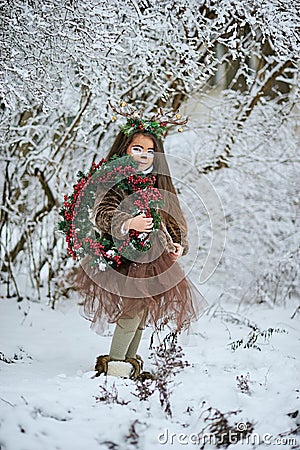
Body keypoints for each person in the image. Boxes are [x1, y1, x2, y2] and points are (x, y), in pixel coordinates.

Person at [75, 107, 208, 380]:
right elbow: (103, 212)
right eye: (137, 149)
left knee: (142, 311)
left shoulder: (158, 182)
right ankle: (116, 365)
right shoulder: (115, 181)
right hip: (126, 257)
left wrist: (178, 243)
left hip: (154, 258)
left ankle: (128, 362)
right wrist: (128, 223)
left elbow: (171, 217)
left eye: (149, 151)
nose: (144, 156)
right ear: (125, 150)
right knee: (133, 309)